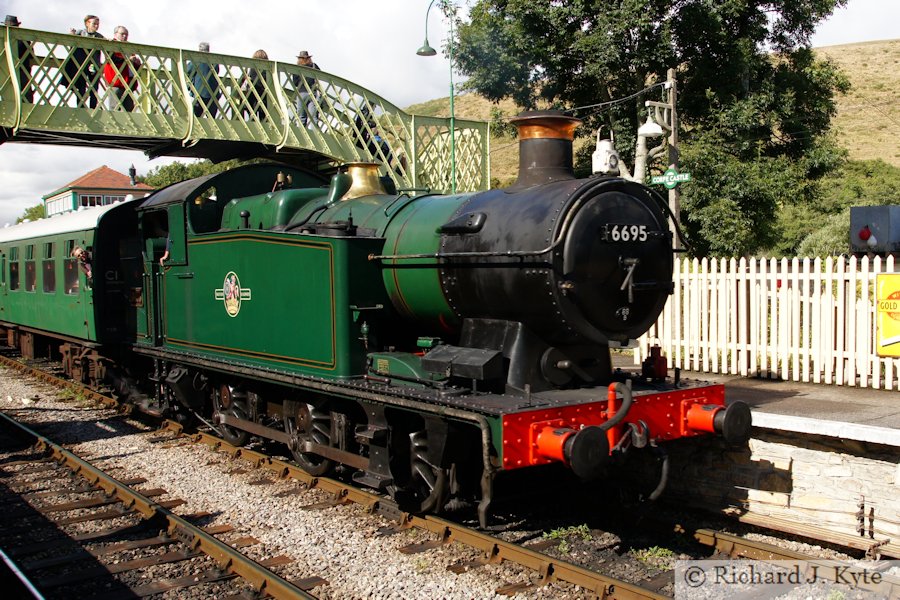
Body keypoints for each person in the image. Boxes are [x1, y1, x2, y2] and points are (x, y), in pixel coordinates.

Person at [66, 14, 103, 108]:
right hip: (81, 64)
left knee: (94, 87)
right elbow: (70, 41)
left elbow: (106, 44)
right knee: (81, 87)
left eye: (97, 24)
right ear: (87, 23)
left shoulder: (99, 36)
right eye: (94, 24)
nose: (96, 26)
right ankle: (80, 106)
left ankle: (93, 107)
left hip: (93, 64)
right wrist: (71, 35)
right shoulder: (80, 33)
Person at [103, 26, 142, 111]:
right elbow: (113, 59)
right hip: (116, 82)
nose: (125, 36)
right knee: (115, 110)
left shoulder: (128, 47)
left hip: (128, 83)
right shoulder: (111, 44)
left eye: (126, 34)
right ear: (116, 34)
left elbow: (132, 67)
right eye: (122, 34)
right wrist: (128, 60)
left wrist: (137, 64)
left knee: (128, 111)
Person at [4, 15, 35, 103]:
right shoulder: (24, 39)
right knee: (26, 98)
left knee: (7, 97)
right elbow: (31, 55)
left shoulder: (4, 39)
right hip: (23, 71)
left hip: (6, 71)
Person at [186, 42, 220, 118]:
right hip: (213, 93)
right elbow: (217, 71)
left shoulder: (195, 61)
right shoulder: (214, 62)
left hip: (199, 93)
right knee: (212, 119)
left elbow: (188, 71)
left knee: (197, 118)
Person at [292, 50, 321, 128]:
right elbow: (320, 76)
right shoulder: (314, 66)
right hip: (312, 93)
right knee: (314, 118)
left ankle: (302, 138)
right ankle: (316, 137)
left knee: (301, 118)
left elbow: (295, 82)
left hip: (301, 93)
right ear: (309, 58)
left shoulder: (296, 68)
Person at [241, 49, 269, 121]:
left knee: (252, 119)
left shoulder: (252, 68)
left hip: (252, 97)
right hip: (265, 99)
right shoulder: (267, 70)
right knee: (264, 120)